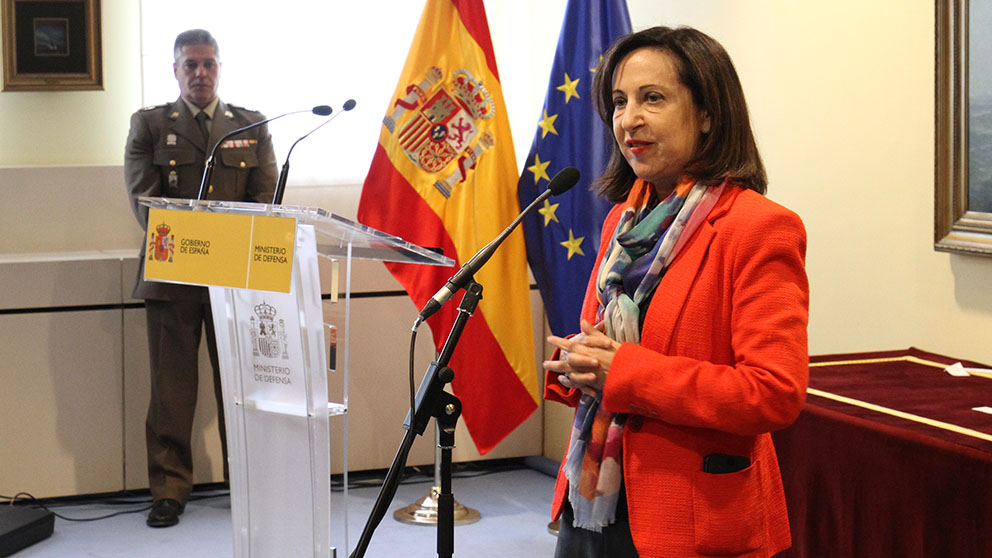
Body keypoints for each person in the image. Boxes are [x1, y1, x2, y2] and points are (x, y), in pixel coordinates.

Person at [543, 26, 809, 558]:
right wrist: (582, 361)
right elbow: (612, 341)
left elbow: (773, 392)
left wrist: (624, 374)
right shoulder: (623, 220)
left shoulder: (758, 227)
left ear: (708, 114)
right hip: (593, 496)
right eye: (619, 101)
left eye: (653, 99)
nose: (628, 120)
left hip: (692, 517)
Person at [124, 29, 277, 528]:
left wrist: (221, 247)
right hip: (174, 276)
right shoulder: (149, 125)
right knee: (171, 391)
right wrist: (205, 243)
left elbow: (265, 198)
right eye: (190, 64)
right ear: (175, 70)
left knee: (242, 388)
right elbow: (147, 202)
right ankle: (169, 489)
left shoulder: (252, 125)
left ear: (219, 67)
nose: (200, 73)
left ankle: (249, 484)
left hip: (234, 278)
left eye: (209, 63)